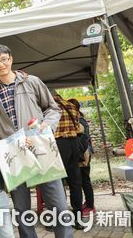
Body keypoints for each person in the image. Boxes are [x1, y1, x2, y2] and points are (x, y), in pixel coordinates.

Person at [0, 44, 73, 238]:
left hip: (40, 148)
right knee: (22, 210)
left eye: (4, 59)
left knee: (58, 204)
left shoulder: (32, 82)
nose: (1, 64)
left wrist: (45, 127)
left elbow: (53, 109)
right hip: (14, 157)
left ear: (11, 59)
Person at [51, 91, 83, 228]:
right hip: (74, 143)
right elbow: (78, 126)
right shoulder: (71, 106)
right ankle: (78, 219)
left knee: (57, 182)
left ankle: (61, 219)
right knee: (75, 182)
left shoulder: (50, 107)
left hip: (59, 144)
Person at [68, 98, 96, 217]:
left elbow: (83, 142)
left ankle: (90, 206)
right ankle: (88, 203)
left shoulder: (80, 121)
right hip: (81, 155)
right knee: (82, 181)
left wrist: (76, 154)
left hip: (83, 155)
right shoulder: (79, 119)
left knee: (85, 180)